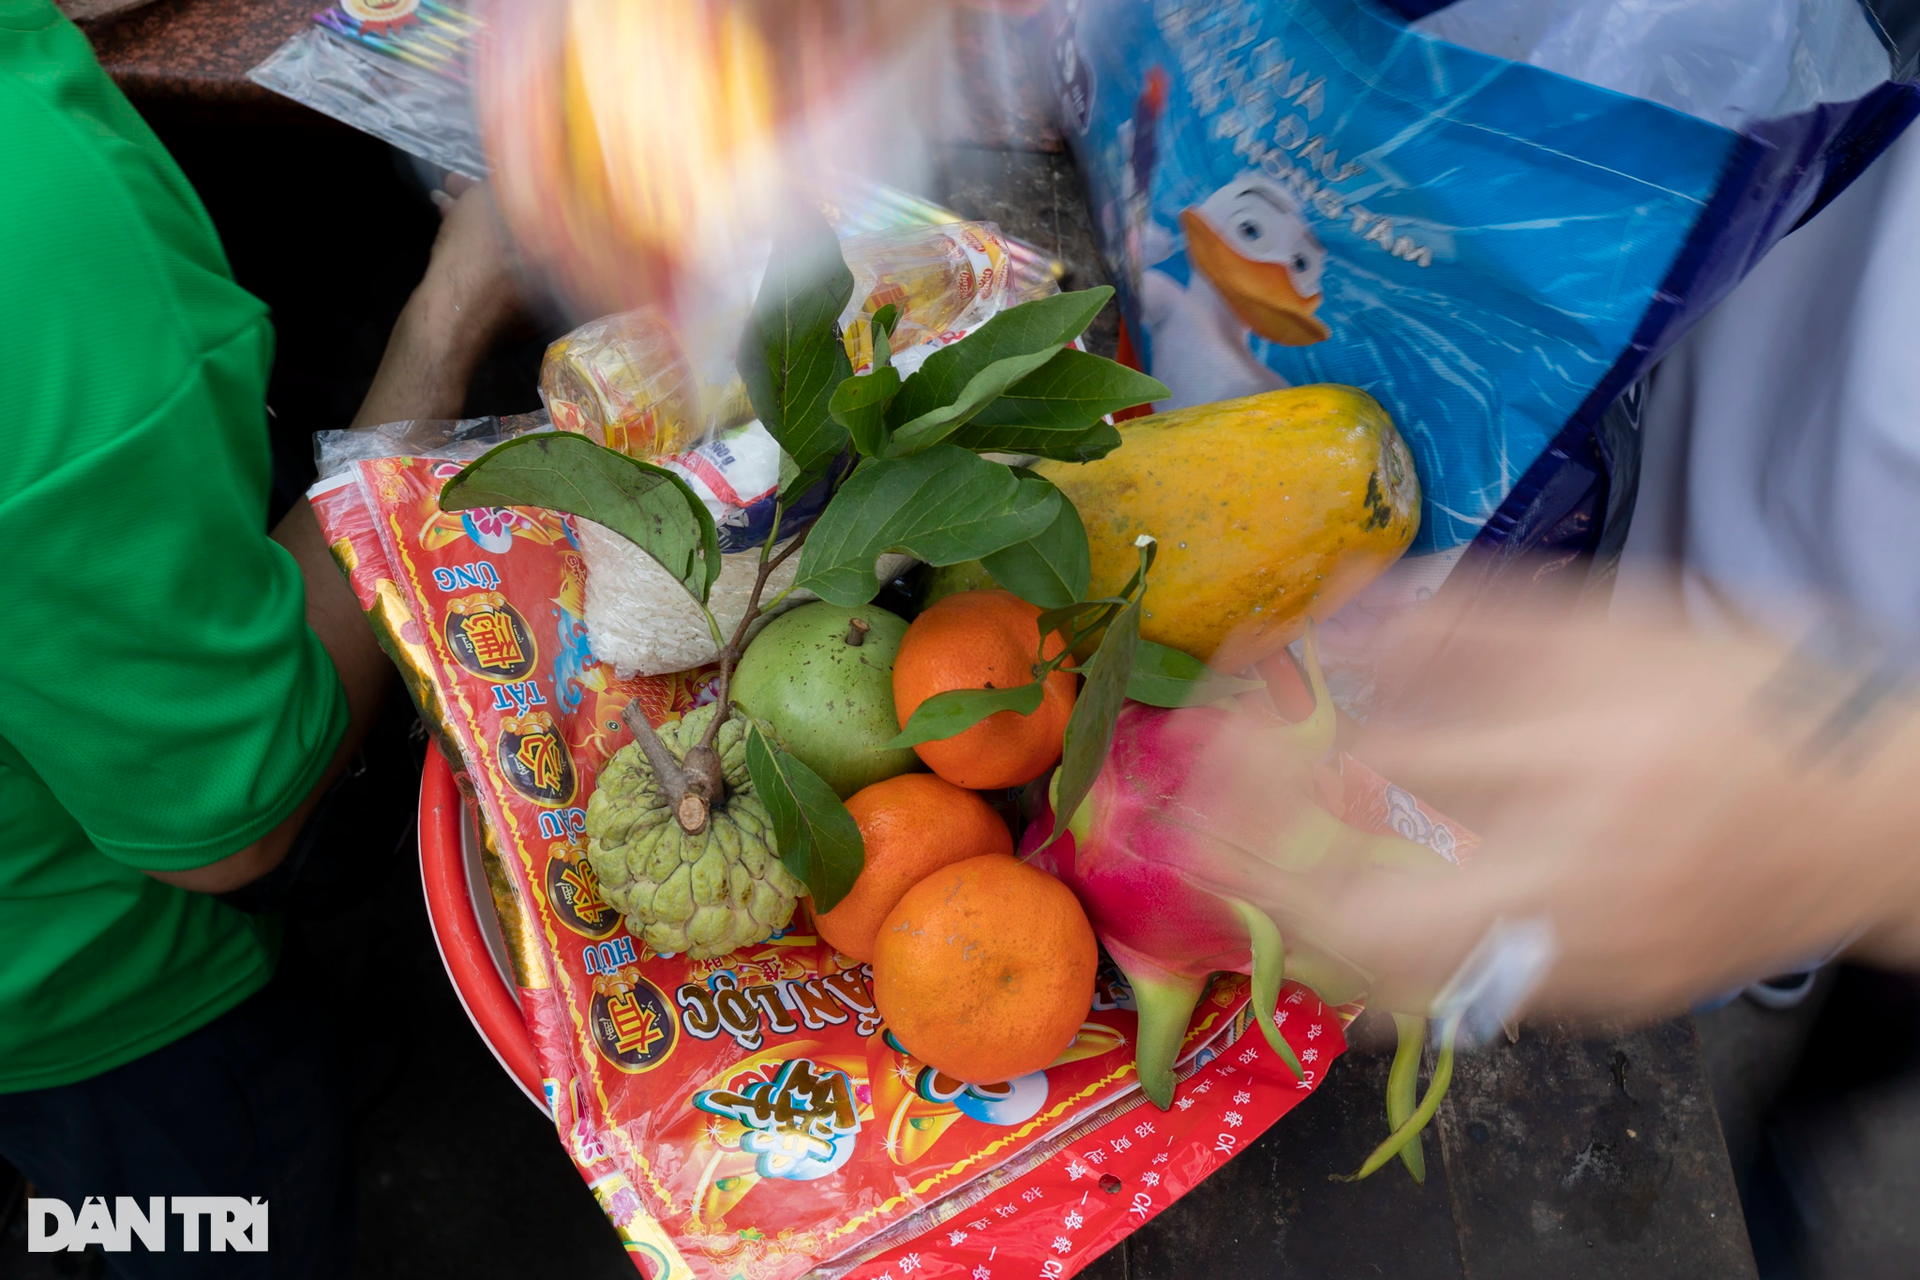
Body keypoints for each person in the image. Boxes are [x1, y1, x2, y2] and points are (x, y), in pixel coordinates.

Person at [0, 0, 520, 1272]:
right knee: (224, 1211)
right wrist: (447, 320)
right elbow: (233, 811)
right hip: (102, 1009)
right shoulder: (37, 221)